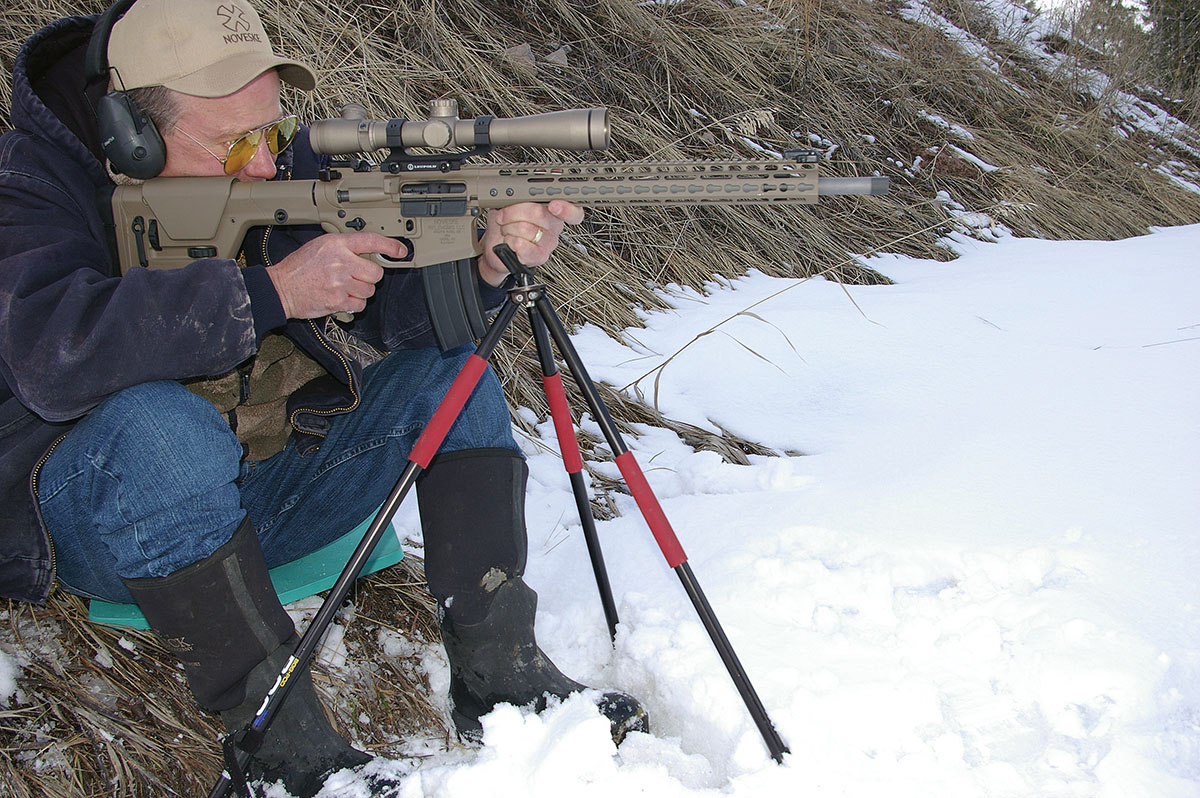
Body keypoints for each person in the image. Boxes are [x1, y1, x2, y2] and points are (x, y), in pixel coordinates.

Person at [0, 0, 646, 794]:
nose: (266, 165)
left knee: (456, 373)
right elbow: (52, 357)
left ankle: (502, 678)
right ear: (130, 136)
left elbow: (398, 323)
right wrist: (269, 293)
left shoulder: (269, 171)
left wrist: (481, 266)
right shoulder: (25, 189)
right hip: (103, 527)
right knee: (159, 426)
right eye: (235, 144)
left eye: (271, 134)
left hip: (253, 498)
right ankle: (285, 758)